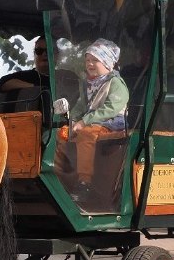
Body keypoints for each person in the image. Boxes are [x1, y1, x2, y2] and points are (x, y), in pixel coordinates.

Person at [55, 39, 129, 193]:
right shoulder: (88, 84)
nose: (90, 64)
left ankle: (84, 182)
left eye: (95, 60)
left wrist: (84, 122)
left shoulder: (116, 83)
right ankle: (58, 176)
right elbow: (82, 106)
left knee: (87, 135)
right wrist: (73, 119)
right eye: (87, 60)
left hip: (111, 124)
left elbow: (111, 109)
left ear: (108, 63)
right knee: (61, 134)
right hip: (90, 122)